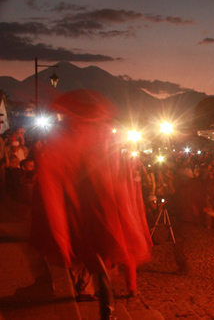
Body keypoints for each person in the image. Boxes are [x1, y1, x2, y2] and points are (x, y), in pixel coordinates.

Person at [31, 90, 152, 314]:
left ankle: (106, 306)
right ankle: (107, 307)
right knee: (102, 267)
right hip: (98, 212)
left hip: (88, 213)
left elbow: (51, 181)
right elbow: (118, 178)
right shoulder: (98, 135)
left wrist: (59, 234)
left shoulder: (69, 138)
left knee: (97, 266)